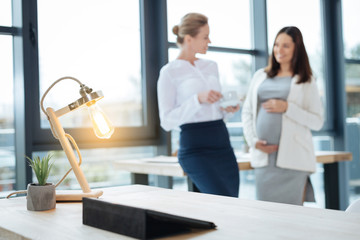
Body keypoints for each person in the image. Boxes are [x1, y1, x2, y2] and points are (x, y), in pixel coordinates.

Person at [157, 13, 240, 197]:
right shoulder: (169, 72)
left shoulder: (212, 66)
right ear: (188, 39)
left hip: (222, 142)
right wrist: (197, 99)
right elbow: (166, 121)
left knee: (233, 202)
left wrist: (227, 110)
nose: (209, 41)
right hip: (195, 148)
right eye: (205, 37)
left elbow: (213, 110)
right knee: (221, 199)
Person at [242, 26, 324, 205]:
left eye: (286, 45)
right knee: (266, 215)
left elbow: (317, 121)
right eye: (276, 45)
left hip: (293, 161)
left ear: (297, 48)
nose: (279, 50)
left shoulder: (306, 80)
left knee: (292, 218)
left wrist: (287, 107)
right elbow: (247, 112)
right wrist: (253, 141)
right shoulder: (260, 76)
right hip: (265, 160)